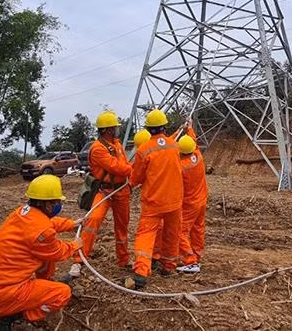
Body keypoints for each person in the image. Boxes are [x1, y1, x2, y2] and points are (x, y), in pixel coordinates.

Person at [0, 175, 81, 330]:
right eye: (57, 202)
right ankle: (20, 318)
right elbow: (57, 251)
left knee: (45, 261)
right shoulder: (42, 232)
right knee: (62, 293)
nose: (59, 205)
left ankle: (40, 289)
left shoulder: (22, 213)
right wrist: (75, 245)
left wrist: (71, 224)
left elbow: (47, 223)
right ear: (48, 205)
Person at [68, 111, 133, 278]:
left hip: (121, 190)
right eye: (115, 128)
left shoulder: (117, 145)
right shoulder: (97, 149)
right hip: (104, 191)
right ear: (108, 130)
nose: (118, 130)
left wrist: (129, 170)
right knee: (93, 220)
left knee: (122, 226)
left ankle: (123, 260)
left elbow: (124, 165)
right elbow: (119, 168)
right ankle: (78, 260)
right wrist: (133, 168)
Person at [125, 109, 183, 289]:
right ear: (164, 126)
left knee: (146, 235)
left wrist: (129, 184)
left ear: (148, 129)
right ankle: (169, 267)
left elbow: (137, 177)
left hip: (153, 202)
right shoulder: (174, 146)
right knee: (172, 234)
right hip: (174, 200)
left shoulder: (144, 149)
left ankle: (141, 272)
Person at [175, 127, 208, 274]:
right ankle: (197, 254)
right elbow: (193, 140)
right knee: (198, 229)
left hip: (190, 204)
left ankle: (190, 261)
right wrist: (189, 127)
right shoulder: (198, 154)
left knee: (180, 231)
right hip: (202, 200)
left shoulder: (181, 167)